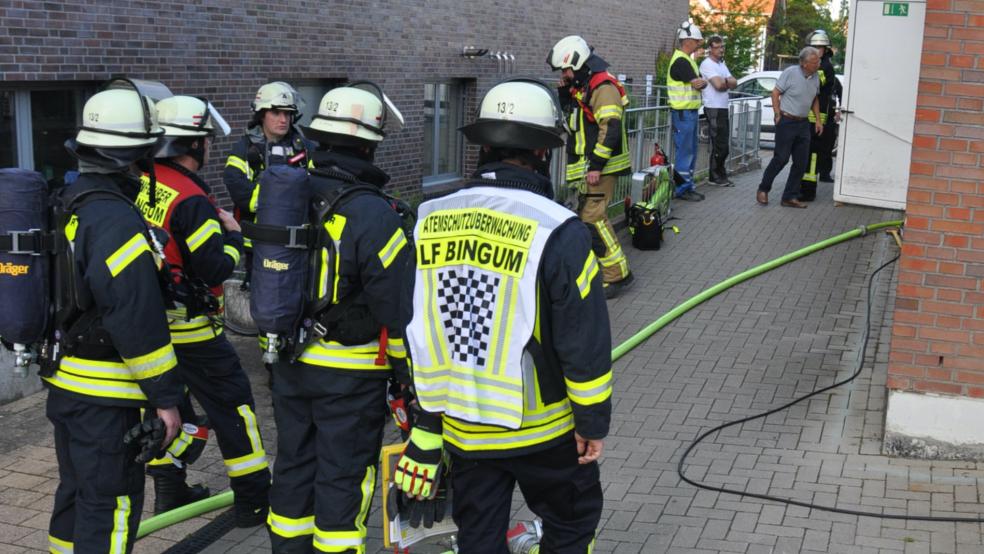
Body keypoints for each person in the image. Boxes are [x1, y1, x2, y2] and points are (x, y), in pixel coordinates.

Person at [397, 79, 613, 554]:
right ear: (541, 153)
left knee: (478, 538)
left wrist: (426, 422)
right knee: (572, 526)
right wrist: (592, 422)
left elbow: (414, 323)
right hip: (543, 430)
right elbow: (583, 341)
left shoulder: (428, 219)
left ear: (485, 148)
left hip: (464, 426)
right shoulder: (558, 229)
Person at [260, 83, 411, 553]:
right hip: (351, 377)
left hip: (288, 363)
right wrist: (407, 377)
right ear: (369, 145)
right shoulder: (374, 213)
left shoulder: (286, 192)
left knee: (293, 469)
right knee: (342, 481)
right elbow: (397, 308)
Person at [45, 82, 185, 553]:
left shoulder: (69, 201)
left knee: (75, 496)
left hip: (67, 384)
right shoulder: (116, 219)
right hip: (108, 396)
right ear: (138, 156)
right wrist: (166, 399)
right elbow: (134, 316)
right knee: (110, 507)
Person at [135, 95, 271, 526]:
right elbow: (213, 267)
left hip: (151, 328)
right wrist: (233, 238)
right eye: (206, 139)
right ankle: (253, 499)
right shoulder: (191, 199)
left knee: (167, 409)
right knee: (235, 408)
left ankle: (170, 491)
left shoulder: (140, 181)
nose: (210, 145)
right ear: (193, 144)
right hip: (193, 329)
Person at [547, 35, 633, 299]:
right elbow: (576, 120)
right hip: (592, 167)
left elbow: (611, 127)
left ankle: (616, 274)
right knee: (589, 218)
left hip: (601, 168)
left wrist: (596, 165)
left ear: (578, 62)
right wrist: (564, 94)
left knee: (594, 219)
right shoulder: (584, 86)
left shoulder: (602, 86)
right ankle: (608, 269)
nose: (564, 74)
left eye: (566, 69)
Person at [222, 82, 315, 293]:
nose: (283, 119)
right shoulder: (245, 149)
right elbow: (239, 190)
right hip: (258, 242)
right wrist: (286, 199)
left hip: (297, 240)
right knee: (263, 295)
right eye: (276, 112)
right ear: (262, 114)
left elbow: (316, 186)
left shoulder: (304, 148)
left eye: (287, 113)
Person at [755, 47, 823, 209]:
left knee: (801, 162)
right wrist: (777, 114)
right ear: (804, 63)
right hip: (787, 121)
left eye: (818, 61)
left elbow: (814, 99)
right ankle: (763, 189)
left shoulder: (815, 77)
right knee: (781, 158)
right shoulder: (790, 73)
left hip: (803, 123)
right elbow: (775, 93)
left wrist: (818, 120)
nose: (818, 64)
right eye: (814, 62)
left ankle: (789, 197)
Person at [666, 21, 708, 201]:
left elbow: (699, 82)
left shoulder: (687, 60)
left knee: (690, 151)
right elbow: (698, 83)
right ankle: (682, 189)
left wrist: (702, 82)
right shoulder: (681, 61)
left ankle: (687, 186)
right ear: (688, 41)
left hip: (688, 113)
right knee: (685, 152)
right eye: (697, 41)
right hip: (683, 113)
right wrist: (703, 82)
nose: (698, 44)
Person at [800, 29, 841, 199]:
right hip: (807, 117)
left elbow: (813, 81)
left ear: (825, 49)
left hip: (818, 120)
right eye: (814, 47)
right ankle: (802, 187)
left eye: (820, 48)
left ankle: (808, 191)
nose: (816, 51)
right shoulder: (817, 65)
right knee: (804, 154)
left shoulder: (825, 67)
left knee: (813, 156)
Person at [699, 35, 738, 186]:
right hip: (713, 107)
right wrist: (726, 82)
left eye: (722, 46)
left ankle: (720, 175)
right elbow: (719, 86)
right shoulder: (707, 64)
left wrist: (725, 81)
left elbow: (734, 82)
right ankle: (715, 177)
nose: (721, 50)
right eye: (718, 47)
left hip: (722, 107)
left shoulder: (722, 64)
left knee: (724, 145)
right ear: (710, 48)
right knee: (719, 144)